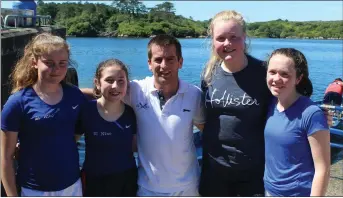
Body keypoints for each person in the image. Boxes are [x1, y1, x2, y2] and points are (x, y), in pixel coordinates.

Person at [81, 34, 205, 196]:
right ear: (149, 63)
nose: (164, 65)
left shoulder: (194, 95)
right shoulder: (137, 90)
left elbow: (207, 131)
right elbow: (109, 92)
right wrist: (63, 91)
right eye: (158, 60)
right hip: (147, 188)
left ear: (180, 62)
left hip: (188, 187)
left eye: (170, 59)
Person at [1, 33, 86, 196]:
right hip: (34, 189)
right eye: (49, 63)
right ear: (34, 62)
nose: (56, 70)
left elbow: (75, 131)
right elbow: (5, 158)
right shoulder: (18, 102)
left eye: (62, 64)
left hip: (72, 186)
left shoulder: (75, 96)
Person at [199, 10, 271, 196]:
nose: (227, 43)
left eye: (234, 37)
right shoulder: (208, 74)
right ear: (213, 41)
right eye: (220, 38)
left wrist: (317, 116)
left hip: (253, 172)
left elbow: (291, 100)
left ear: (244, 37)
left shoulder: (264, 73)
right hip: (214, 170)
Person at [264, 48, 330, 196]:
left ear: (298, 79)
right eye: (272, 72)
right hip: (268, 191)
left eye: (285, 74)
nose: (276, 79)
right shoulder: (270, 104)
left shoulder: (312, 114)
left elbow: (323, 169)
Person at [76, 59, 138, 196]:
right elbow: (70, 142)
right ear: (97, 83)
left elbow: (135, 146)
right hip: (94, 181)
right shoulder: (86, 111)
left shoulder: (132, 112)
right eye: (109, 80)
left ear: (127, 84)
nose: (115, 86)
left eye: (121, 81)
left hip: (126, 180)